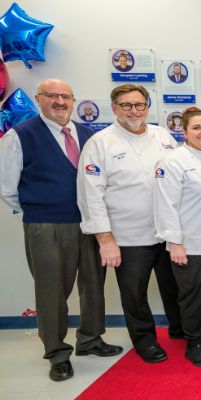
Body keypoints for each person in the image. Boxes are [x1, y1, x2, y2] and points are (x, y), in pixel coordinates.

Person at [0, 79, 122, 382]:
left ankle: (91, 339)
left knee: (94, 285)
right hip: (47, 224)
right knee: (52, 290)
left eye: (65, 96)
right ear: (39, 100)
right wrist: (38, 209)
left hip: (90, 223)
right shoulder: (20, 135)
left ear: (73, 100)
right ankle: (57, 353)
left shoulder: (88, 134)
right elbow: (6, 187)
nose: (59, 102)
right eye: (52, 96)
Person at [77, 84, 182, 364]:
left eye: (139, 105)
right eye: (126, 105)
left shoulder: (163, 135)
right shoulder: (100, 143)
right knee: (134, 294)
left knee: (174, 287)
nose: (134, 111)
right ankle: (145, 341)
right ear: (114, 108)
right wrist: (105, 239)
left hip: (167, 231)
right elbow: (90, 195)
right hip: (128, 236)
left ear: (147, 107)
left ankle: (180, 330)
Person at [154, 107, 201, 368]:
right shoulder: (173, 161)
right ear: (184, 132)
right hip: (190, 244)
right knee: (193, 296)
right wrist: (174, 242)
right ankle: (194, 342)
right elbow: (165, 204)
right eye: (196, 128)